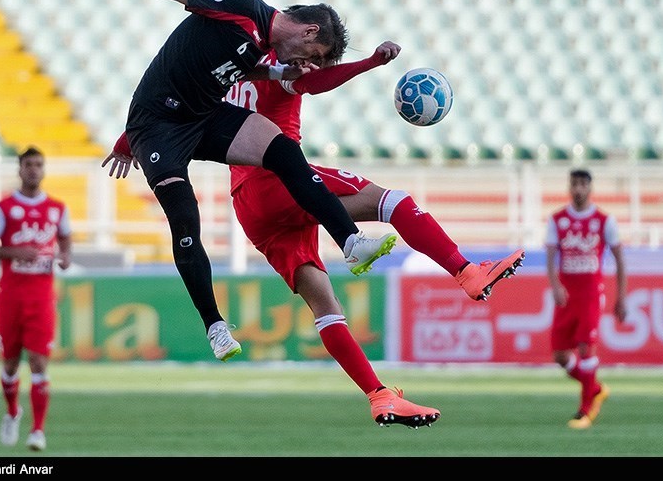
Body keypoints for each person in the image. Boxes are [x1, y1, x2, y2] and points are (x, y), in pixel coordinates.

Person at [104, 40, 525, 428]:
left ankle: (379, 395)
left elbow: (175, 109)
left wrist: (127, 140)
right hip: (281, 177)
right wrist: (370, 63)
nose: (317, 59)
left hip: (249, 204)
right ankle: (466, 271)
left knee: (324, 304)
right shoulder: (280, 63)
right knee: (390, 201)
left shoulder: (231, 67)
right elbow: (311, 82)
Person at [60, 0, 397, 362]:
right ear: (309, 33)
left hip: (202, 116)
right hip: (158, 126)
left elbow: (249, 70)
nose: (311, 63)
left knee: (285, 152)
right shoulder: (239, 4)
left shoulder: (263, 48)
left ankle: (351, 242)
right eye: (316, 53)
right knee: (185, 216)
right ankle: (215, 326)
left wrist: (281, 72)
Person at [0, 146, 72, 451]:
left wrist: (66, 256)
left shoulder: (57, 208)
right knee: (9, 364)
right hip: (11, 296)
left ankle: (37, 430)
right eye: (28, 164)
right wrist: (14, 251)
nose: (33, 169)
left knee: (38, 362)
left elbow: (65, 239)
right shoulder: (3, 208)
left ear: (43, 170)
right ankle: (12, 412)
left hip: (42, 297)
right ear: (19, 170)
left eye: (38, 164)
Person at [546, 168, 627, 429]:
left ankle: (585, 411)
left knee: (585, 349)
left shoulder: (604, 221)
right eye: (574, 184)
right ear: (569, 187)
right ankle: (595, 388)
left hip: (591, 294)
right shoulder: (557, 219)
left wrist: (621, 297)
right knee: (560, 354)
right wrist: (556, 285)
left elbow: (619, 259)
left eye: (583, 184)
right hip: (566, 294)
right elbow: (550, 256)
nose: (578, 189)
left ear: (590, 188)